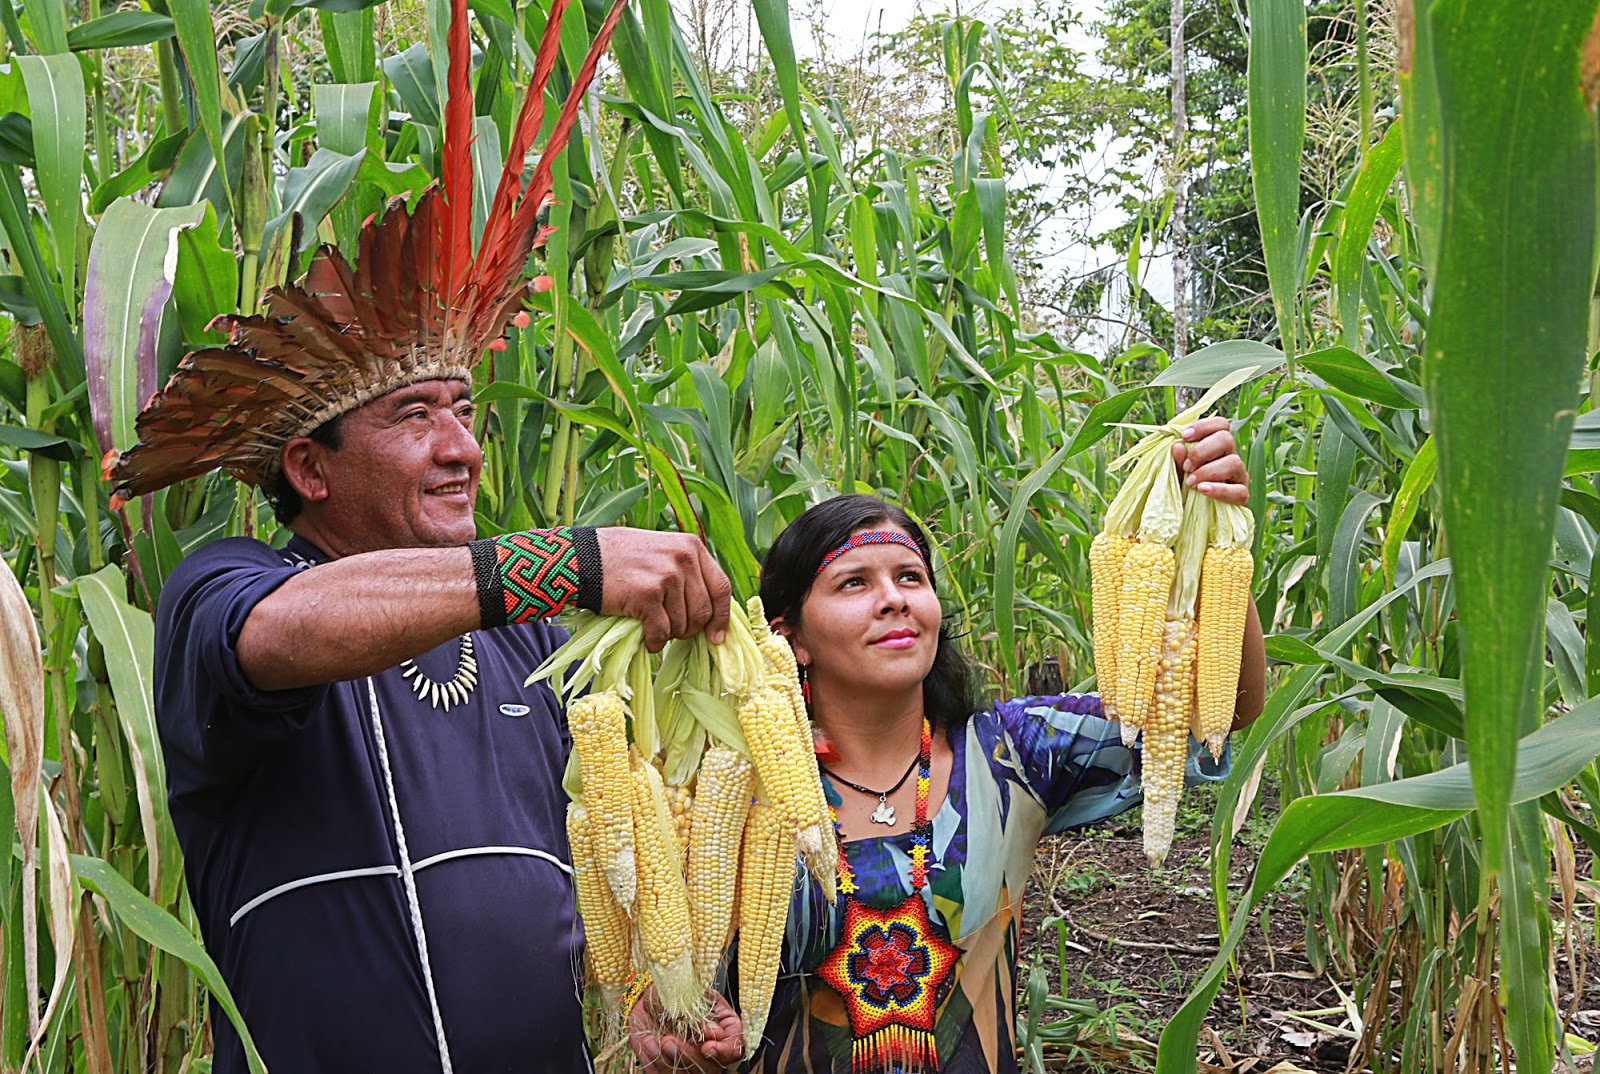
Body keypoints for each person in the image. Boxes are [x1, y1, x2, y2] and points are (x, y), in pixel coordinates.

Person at [99, 6, 719, 1065]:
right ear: (309, 467)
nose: (462, 449)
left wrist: (638, 1025)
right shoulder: (227, 587)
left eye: (467, 412)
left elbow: (589, 869)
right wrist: (568, 561)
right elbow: (287, 635)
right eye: (413, 416)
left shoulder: (531, 640)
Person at [629, 417, 1264, 1073]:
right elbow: (681, 991)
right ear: (790, 638)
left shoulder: (1013, 751)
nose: (894, 601)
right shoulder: (731, 795)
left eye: (910, 577)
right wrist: (689, 1032)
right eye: (854, 583)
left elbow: (1208, 716)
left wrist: (1215, 549)